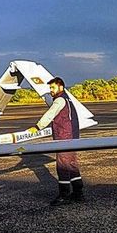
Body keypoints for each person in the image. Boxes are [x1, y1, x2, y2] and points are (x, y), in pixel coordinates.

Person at [28, 76, 84, 205]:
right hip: (72, 137)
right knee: (72, 164)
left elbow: (50, 114)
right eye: (50, 88)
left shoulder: (59, 100)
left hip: (64, 137)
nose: (51, 90)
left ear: (61, 87)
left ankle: (64, 194)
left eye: (53, 87)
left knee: (62, 165)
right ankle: (78, 192)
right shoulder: (68, 99)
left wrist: (37, 127)